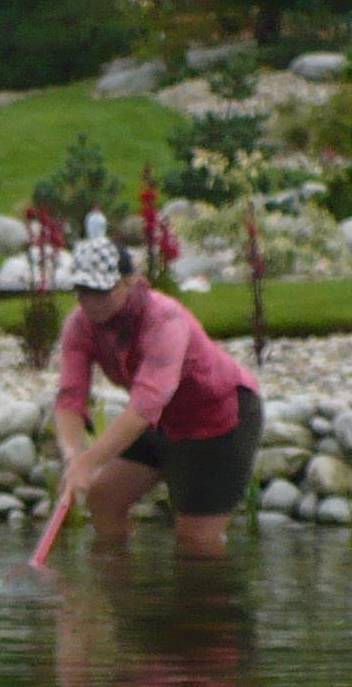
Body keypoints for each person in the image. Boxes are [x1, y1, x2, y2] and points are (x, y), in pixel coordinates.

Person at [50, 223, 261, 557]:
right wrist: (74, 456)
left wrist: (90, 462)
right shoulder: (80, 325)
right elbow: (69, 398)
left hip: (218, 419)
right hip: (162, 423)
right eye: (83, 291)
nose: (91, 303)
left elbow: (145, 404)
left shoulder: (164, 321)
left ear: (131, 282)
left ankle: (208, 608)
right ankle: (120, 602)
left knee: (196, 542)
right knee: (103, 500)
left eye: (102, 291)